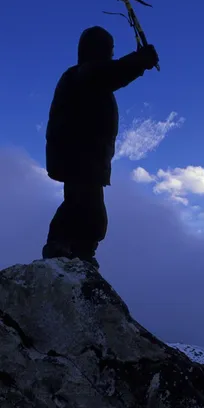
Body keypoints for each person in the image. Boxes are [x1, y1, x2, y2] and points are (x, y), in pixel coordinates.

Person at [42, 26, 159, 269]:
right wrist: (140, 61)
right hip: (80, 155)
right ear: (100, 49)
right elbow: (111, 73)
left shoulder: (86, 76)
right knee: (86, 207)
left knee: (83, 205)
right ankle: (67, 250)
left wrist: (137, 62)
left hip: (86, 157)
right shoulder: (83, 74)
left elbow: (110, 73)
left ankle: (76, 251)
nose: (112, 54)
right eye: (110, 49)